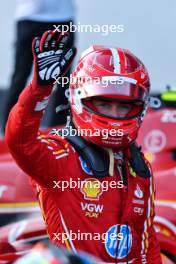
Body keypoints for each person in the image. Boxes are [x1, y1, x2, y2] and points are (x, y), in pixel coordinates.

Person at [5, 30, 162, 263]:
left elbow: (148, 246)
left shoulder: (140, 168)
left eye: (124, 106)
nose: (115, 114)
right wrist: (40, 89)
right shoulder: (59, 157)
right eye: (104, 103)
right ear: (78, 99)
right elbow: (20, 141)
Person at [2, 0, 75, 134]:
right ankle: (8, 131)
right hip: (29, 17)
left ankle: (58, 131)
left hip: (62, 18)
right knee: (20, 75)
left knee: (64, 78)